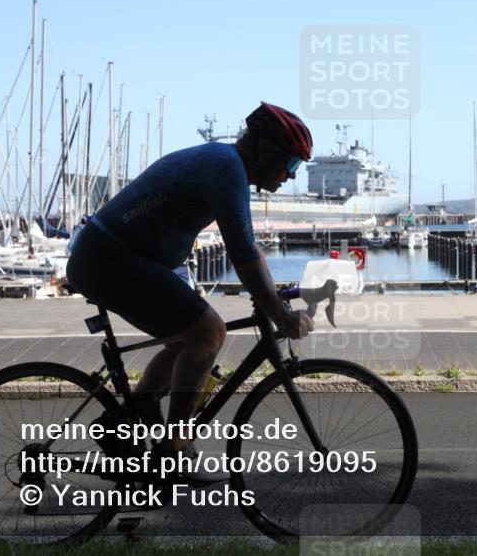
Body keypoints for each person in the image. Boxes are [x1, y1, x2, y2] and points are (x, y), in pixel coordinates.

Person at [66, 101, 315, 476]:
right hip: (109, 258)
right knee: (208, 333)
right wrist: (279, 314)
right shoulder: (226, 170)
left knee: (189, 338)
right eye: (292, 164)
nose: (292, 176)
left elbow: (249, 250)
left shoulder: (226, 165)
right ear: (266, 152)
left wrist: (273, 296)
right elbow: (244, 255)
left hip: (120, 256)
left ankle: (133, 416)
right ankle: (172, 451)